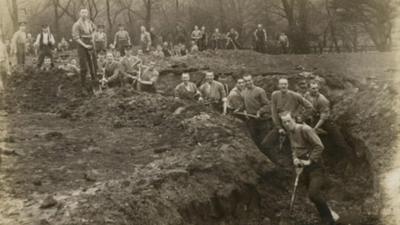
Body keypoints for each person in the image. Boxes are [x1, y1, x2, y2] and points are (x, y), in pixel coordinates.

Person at [280, 111, 338, 225]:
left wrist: (310, 160)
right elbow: (294, 149)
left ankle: (329, 220)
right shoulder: (290, 132)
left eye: (289, 121)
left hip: (315, 166)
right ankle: (329, 213)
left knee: (313, 194)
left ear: (294, 119)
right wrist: (295, 159)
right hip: (303, 167)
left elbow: (319, 146)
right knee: (313, 195)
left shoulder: (305, 129)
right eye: (284, 122)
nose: (287, 124)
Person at [261, 78, 314, 165]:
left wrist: (300, 117)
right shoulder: (275, 95)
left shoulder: (295, 95)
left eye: (285, 84)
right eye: (281, 84)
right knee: (265, 144)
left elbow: (310, 107)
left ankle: (296, 166)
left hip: (293, 126)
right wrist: (279, 127)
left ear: (288, 85)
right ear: (278, 85)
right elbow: (274, 112)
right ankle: (277, 162)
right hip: (281, 125)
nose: (283, 86)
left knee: (295, 148)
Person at [304, 81, 354, 164]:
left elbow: (323, 118)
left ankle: (351, 158)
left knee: (339, 140)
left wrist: (315, 128)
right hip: (315, 117)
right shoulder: (307, 95)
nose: (315, 90)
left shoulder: (322, 100)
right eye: (313, 88)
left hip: (326, 120)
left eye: (316, 88)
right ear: (309, 89)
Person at [72, 8, 98, 94]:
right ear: (80, 14)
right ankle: (83, 86)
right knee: (83, 67)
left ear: (87, 14)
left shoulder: (90, 22)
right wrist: (85, 45)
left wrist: (93, 38)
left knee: (93, 65)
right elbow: (76, 37)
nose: (84, 14)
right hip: (82, 46)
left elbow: (95, 30)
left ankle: (95, 84)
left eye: (85, 12)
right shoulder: (76, 24)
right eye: (82, 12)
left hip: (90, 44)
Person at [240, 75, 270, 147]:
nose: (248, 82)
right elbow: (244, 104)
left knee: (264, 140)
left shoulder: (260, 91)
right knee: (254, 139)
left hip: (261, 119)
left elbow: (267, 105)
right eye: (246, 81)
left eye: (249, 80)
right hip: (251, 119)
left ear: (252, 80)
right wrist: (244, 111)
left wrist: (259, 112)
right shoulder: (243, 92)